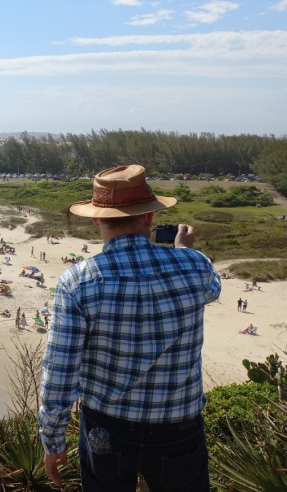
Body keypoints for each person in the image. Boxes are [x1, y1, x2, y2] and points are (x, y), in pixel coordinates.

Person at [38, 165, 221, 491]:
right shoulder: (195, 265)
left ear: (96, 219)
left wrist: (52, 440)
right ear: (149, 218)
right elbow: (212, 290)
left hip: (106, 429)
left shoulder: (78, 281)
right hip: (179, 428)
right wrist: (183, 251)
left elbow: (60, 370)